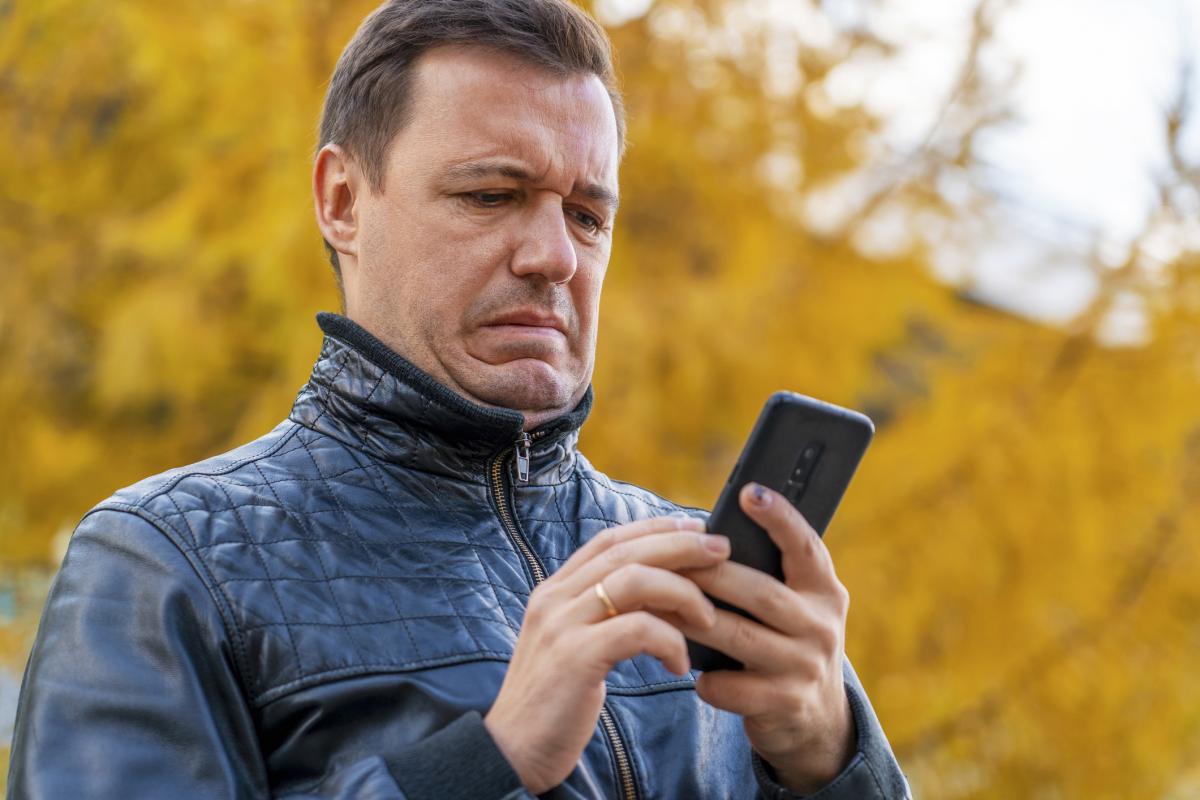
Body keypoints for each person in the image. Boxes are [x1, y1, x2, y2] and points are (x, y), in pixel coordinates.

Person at [8, 1, 911, 797]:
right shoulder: (166, 564)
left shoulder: (702, 574)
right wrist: (491, 758)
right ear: (343, 200)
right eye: (491, 194)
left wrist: (831, 760)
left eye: (588, 215)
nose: (556, 257)